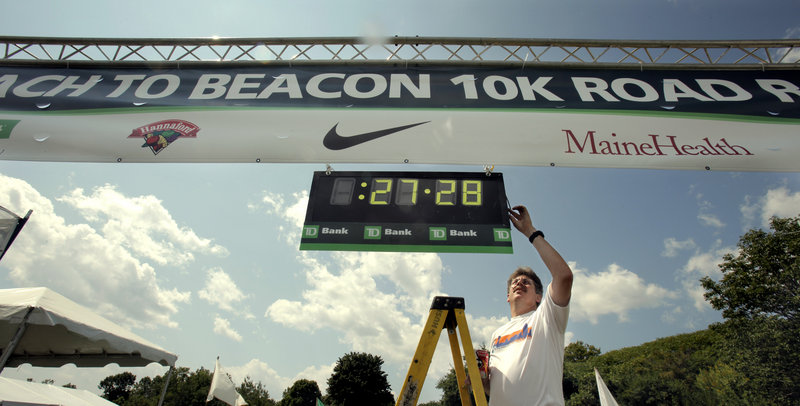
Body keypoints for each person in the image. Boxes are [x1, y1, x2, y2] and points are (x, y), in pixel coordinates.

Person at [483, 204, 574, 406]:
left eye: (527, 282)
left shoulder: (546, 318)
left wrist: (530, 232)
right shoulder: (497, 335)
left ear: (539, 297)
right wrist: (482, 382)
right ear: (508, 297)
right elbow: (497, 388)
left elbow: (564, 276)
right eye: (515, 282)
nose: (519, 283)